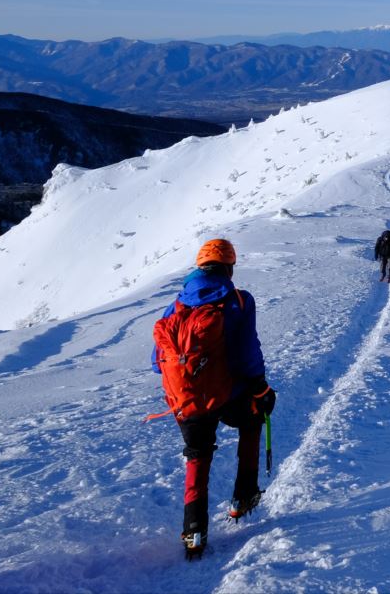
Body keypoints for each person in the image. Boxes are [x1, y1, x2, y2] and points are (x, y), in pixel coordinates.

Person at [151, 238, 276, 557]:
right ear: (229, 268)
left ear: (199, 267)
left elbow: (156, 362)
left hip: (186, 400)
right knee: (251, 419)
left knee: (198, 454)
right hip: (227, 394)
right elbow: (248, 353)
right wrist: (261, 389)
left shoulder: (176, 306)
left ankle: (194, 533)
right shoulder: (239, 300)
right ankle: (243, 497)